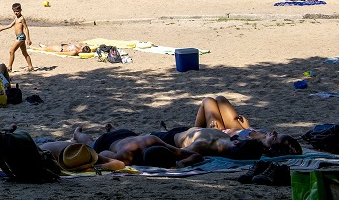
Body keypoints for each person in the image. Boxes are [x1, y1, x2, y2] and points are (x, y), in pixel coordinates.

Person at [193, 95, 302, 156]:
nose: (274, 132)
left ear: (272, 148)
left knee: (208, 101)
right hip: (239, 129)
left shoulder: (251, 146)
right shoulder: (264, 136)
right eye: (277, 133)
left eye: (274, 137)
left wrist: (215, 131)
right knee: (221, 99)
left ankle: (195, 130)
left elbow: (226, 143)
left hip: (220, 134)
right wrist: (247, 127)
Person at [72, 126, 203, 168]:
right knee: (90, 144)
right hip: (108, 140)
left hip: (128, 134)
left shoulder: (155, 141)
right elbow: (102, 154)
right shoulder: (126, 157)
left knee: (118, 139)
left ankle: (112, 128)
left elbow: (196, 155)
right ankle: (77, 133)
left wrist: (182, 163)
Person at [0, 3, 34, 72]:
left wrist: (28, 39)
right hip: (18, 37)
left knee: (11, 51)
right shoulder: (16, 18)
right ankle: (30, 66)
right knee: (24, 53)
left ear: (21, 10)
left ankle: (9, 67)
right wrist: (1, 29)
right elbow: (10, 25)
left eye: (17, 11)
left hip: (21, 37)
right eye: (14, 11)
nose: (16, 13)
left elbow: (26, 28)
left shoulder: (22, 18)